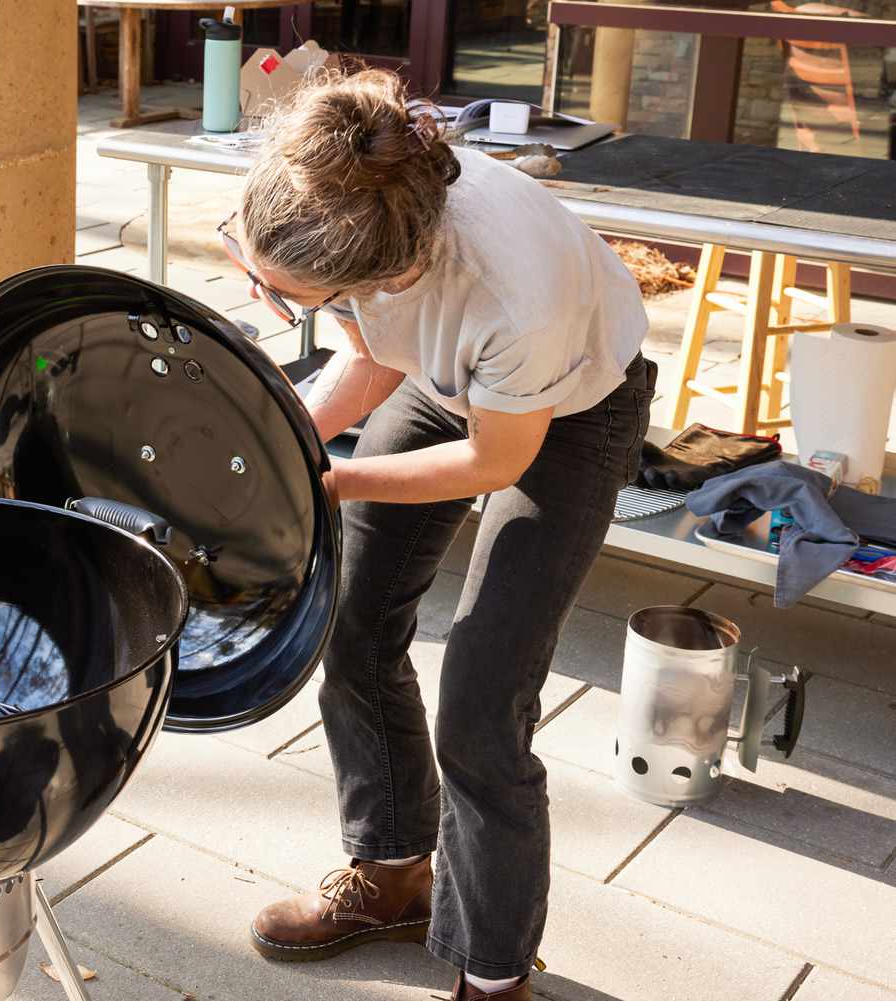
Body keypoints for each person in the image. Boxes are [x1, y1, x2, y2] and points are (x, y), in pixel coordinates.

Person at [221, 69, 654, 1001]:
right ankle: (392, 876)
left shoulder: (515, 297)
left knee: (482, 700)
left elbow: (495, 458)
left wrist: (329, 479)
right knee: (352, 619)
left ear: (384, 274)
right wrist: (280, 445)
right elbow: (372, 352)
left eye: (289, 295)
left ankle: (494, 973)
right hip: (445, 373)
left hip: (572, 406)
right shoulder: (341, 191)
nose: (270, 297)